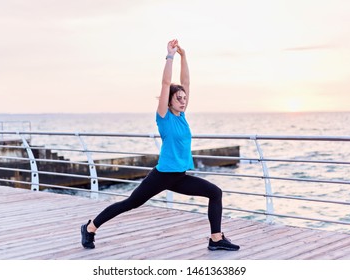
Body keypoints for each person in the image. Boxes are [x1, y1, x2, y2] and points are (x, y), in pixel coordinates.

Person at [81, 39, 240, 251]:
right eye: (179, 98)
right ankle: (90, 227)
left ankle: (216, 239)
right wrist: (170, 56)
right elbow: (166, 84)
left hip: (179, 176)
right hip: (162, 175)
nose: (183, 101)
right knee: (130, 203)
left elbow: (186, 82)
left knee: (215, 192)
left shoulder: (182, 115)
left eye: (184, 98)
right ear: (169, 101)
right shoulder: (164, 117)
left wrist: (185, 56)